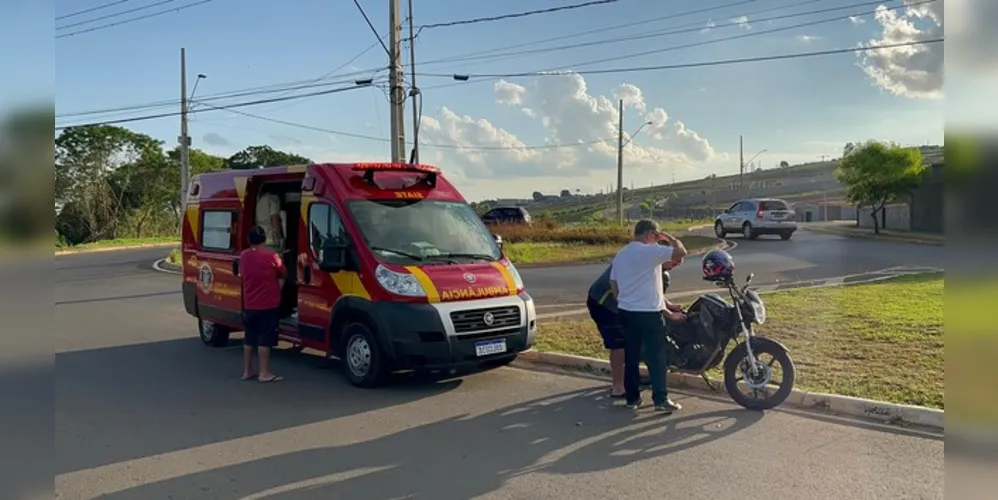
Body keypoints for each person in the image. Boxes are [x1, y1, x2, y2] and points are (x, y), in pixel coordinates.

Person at [609, 219, 688, 412]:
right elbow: (681, 251)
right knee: (657, 356)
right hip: (648, 313)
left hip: (626, 311)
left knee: (632, 355)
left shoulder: (621, 254)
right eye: (657, 235)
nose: (658, 239)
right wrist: (668, 237)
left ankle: (632, 399)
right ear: (649, 234)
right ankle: (661, 399)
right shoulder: (650, 251)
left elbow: (613, 284)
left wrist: (624, 299)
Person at [586, 261, 686, 398]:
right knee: (618, 344)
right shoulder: (642, 267)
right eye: (676, 260)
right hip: (605, 303)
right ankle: (618, 386)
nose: (678, 264)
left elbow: (654, 291)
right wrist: (669, 314)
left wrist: (670, 305)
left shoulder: (651, 265)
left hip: (623, 302)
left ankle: (633, 376)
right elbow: (648, 298)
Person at [238, 225, 286, 383]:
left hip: (250, 304)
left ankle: (247, 371)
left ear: (248, 240)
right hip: (268, 304)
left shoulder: (244, 256)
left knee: (249, 338)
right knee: (265, 338)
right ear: (264, 239)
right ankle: (264, 373)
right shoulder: (272, 256)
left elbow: (242, 274)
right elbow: (283, 273)